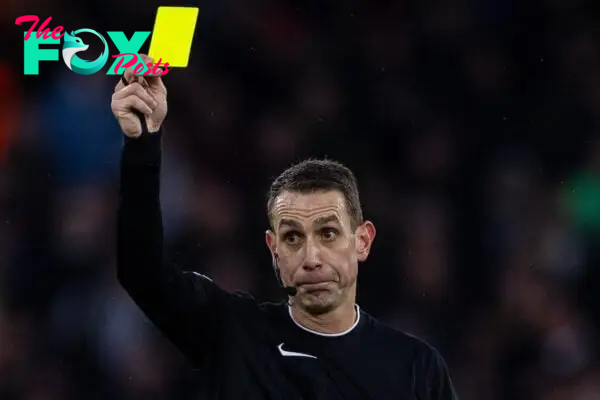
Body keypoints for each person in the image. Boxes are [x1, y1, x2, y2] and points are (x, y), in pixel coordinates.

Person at [111, 56, 459, 399]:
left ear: (362, 241)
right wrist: (142, 143)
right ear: (273, 249)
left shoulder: (416, 369)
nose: (311, 257)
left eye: (328, 233)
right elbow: (141, 272)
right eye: (293, 237)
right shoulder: (232, 333)